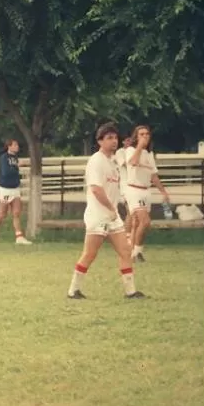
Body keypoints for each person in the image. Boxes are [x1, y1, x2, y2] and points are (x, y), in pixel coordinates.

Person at [67, 123, 146, 300]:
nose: (113, 141)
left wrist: (116, 208)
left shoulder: (113, 161)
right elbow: (96, 189)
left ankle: (130, 291)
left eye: (115, 137)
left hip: (112, 216)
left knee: (125, 251)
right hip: (98, 215)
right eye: (109, 138)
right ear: (100, 141)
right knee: (90, 254)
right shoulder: (96, 160)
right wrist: (111, 208)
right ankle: (73, 290)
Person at [124, 125, 170, 262]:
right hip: (134, 189)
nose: (145, 136)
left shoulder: (149, 154)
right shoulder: (131, 150)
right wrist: (140, 146)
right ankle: (136, 252)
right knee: (145, 221)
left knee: (139, 223)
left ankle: (134, 252)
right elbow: (132, 162)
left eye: (147, 134)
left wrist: (163, 192)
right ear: (136, 137)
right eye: (141, 134)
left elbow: (154, 175)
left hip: (145, 190)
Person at [0, 139, 33, 245]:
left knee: (16, 213)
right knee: (2, 213)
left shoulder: (15, 158)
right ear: (9, 146)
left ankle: (19, 236)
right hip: (5, 188)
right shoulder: (4, 158)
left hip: (15, 188)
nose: (17, 146)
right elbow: (6, 172)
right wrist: (17, 166)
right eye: (15, 145)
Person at [114, 136, 134, 242]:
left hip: (136, 186)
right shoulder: (120, 152)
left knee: (135, 214)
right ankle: (127, 238)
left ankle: (132, 238)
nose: (130, 142)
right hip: (126, 186)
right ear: (123, 141)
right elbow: (127, 165)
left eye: (131, 140)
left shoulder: (135, 152)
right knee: (130, 212)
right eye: (127, 140)